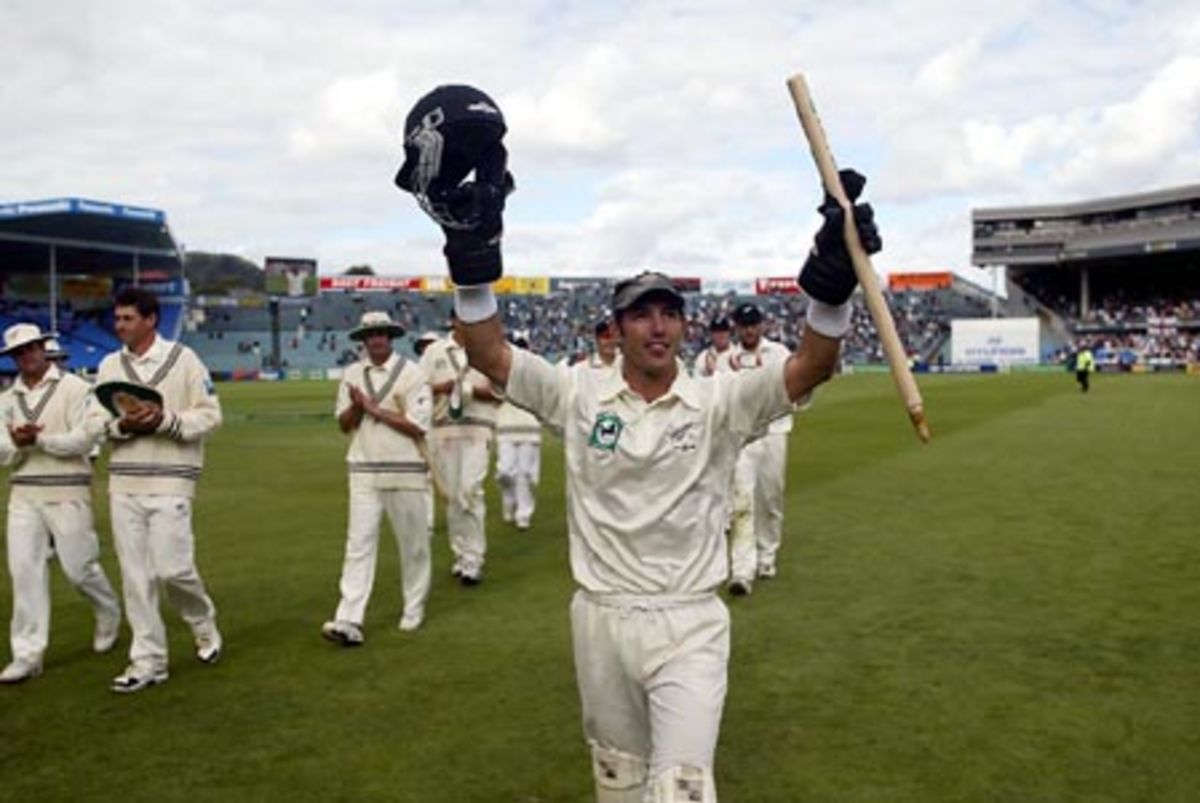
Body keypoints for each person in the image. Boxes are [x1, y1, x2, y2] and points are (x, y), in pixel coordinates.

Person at [393, 82, 881, 801]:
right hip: (600, 617)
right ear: (616, 330)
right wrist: (471, 265)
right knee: (618, 783)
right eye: (641, 315)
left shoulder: (719, 400)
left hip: (689, 618)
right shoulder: (577, 392)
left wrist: (831, 290)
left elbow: (813, 365)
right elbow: (490, 355)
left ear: (684, 327)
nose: (657, 326)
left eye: (669, 314)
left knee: (682, 785)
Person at [87, 287, 224, 693]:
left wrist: (164, 420)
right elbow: (97, 421)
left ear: (151, 320)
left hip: (171, 478)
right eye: (117, 319)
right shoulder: (110, 363)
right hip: (125, 479)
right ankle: (147, 661)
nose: (119, 325)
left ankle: (202, 621)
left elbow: (211, 416)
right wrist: (122, 427)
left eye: (127, 318)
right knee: (136, 577)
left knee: (173, 570)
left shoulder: (184, 360)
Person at [0, 324, 122, 684]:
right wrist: (19, 445)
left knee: (79, 568)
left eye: (31, 349)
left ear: (43, 348)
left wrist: (40, 442)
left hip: (68, 490)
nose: (26, 357)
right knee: (25, 572)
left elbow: (85, 439)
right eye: (18, 353)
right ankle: (27, 654)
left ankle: (108, 610)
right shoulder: (7, 400)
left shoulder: (78, 390)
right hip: (24, 493)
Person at [322, 312, 433, 646]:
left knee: (413, 545)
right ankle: (349, 617)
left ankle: (414, 606)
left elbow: (417, 425)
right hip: (363, 467)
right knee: (358, 544)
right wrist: (357, 408)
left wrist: (372, 408)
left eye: (381, 334)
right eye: (369, 335)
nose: (376, 340)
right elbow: (344, 424)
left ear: (391, 337)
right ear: (362, 340)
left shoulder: (413, 374)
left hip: (405, 467)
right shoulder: (352, 374)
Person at [418, 312, 502, 584]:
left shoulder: (490, 349)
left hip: (478, 427)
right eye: (463, 318)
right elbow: (417, 390)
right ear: (453, 319)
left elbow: (501, 391)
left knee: (470, 489)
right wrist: (441, 387)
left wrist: (468, 391)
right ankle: (461, 554)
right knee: (453, 496)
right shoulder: (434, 352)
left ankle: (474, 559)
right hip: (443, 429)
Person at [727, 302, 796, 590]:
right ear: (738, 328)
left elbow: (795, 385)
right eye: (744, 326)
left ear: (762, 326)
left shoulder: (778, 353)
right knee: (742, 499)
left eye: (754, 324)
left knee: (771, 497)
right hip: (742, 438)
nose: (750, 330)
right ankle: (742, 570)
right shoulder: (728, 359)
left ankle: (767, 555)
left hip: (774, 433)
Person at [494, 332, 542, 530]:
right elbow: (494, 394)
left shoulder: (537, 371)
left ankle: (523, 514)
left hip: (529, 428)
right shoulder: (500, 371)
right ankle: (509, 498)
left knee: (524, 474)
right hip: (506, 426)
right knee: (505, 471)